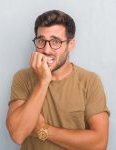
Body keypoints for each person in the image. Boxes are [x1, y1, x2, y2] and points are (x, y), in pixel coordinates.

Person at [6, 10, 109, 150]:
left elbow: (99, 143)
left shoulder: (90, 81)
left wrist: (44, 130)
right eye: (41, 41)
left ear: (70, 44)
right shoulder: (22, 78)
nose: (46, 50)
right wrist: (43, 81)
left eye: (55, 42)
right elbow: (17, 135)